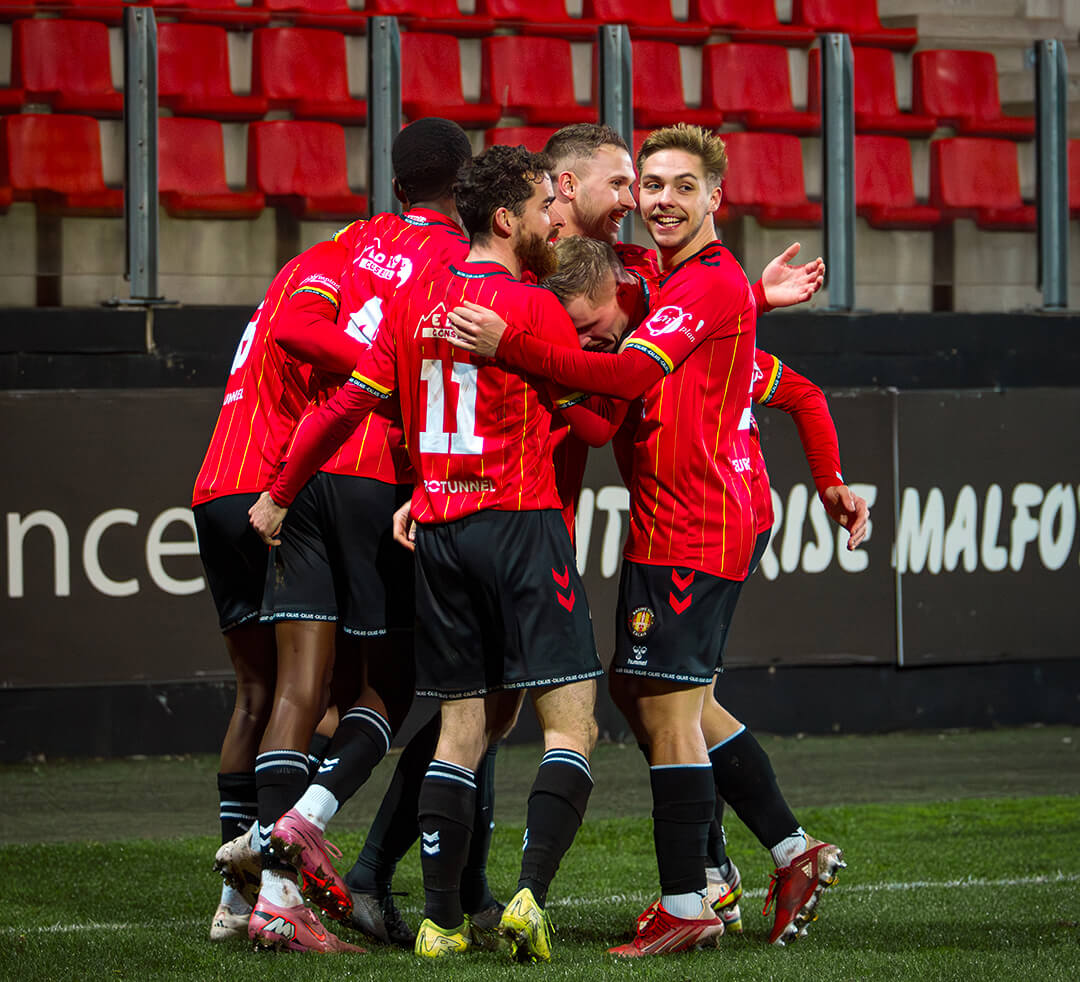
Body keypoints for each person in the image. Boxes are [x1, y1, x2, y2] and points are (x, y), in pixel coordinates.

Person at [447, 124, 851, 956]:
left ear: (715, 198)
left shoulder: (700, 291)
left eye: (678, 186)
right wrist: (756, 306)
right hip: (676, 517)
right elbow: (636, 398)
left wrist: (515, 351)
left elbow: (629, 376)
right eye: (650, 185)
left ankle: (691, 898)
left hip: (698, 519)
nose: (658, 199)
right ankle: (780, 853)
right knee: (658, 696)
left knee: (665, 709)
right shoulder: (679, 287)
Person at [249, 145, 614, 963]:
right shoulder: (529, 306)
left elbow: (345, 405)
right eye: (541, 208)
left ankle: (442, 923)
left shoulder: (414, 302)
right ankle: (528, 899)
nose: (555, 220)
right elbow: (596, 415)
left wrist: (279, 492)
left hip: (438, 531)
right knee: (572, 724)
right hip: (520, 522)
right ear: (505, 219)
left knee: (460, 726)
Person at [192, 235, 363, 953]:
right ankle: (271, 881)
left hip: (215, 485)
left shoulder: (288, 278)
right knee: (319, 694)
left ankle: (232, 900)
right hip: (274, 487)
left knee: (256, 696)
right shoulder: (340, 271)